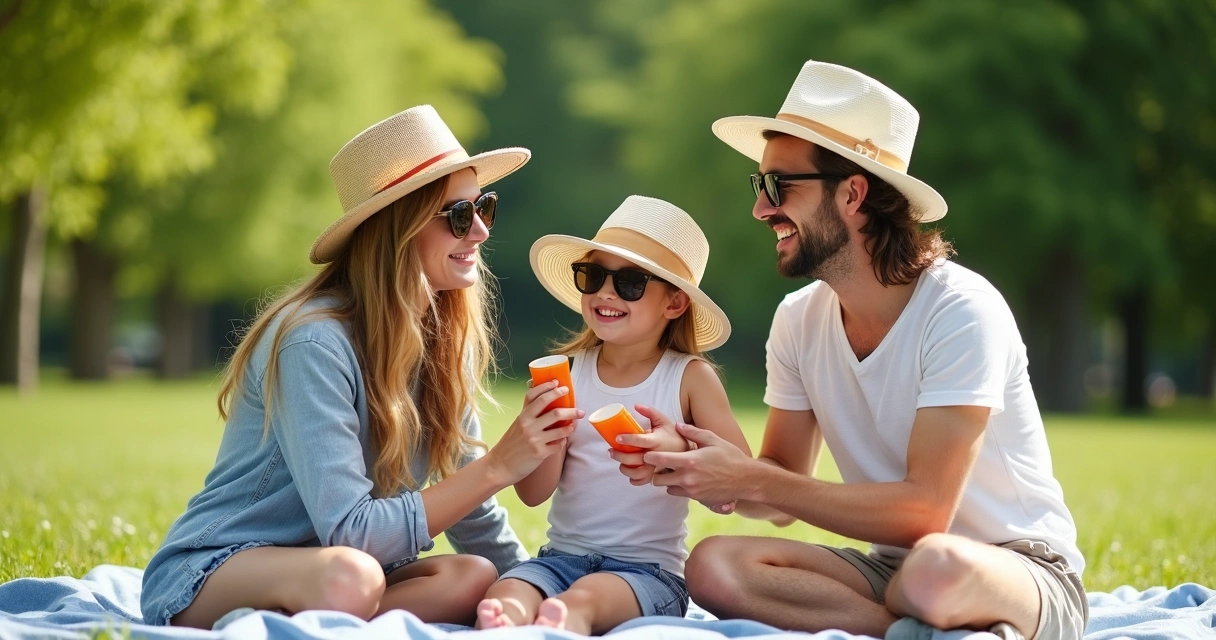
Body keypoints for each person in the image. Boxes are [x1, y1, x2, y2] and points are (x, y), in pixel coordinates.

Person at [633, 61, 1088, 640]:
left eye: (778, 186)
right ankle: (912, 632)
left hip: (1017, 570)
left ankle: (919, 621)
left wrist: (753, 479)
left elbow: (925, 514)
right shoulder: (798, 320)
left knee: (936, 568)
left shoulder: (961, 310)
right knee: (713, 565)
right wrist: (700, 462)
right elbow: (781, 493)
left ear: (853, 193)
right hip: (894, 570)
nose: (761, 209)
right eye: (759, 186)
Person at [141, 106, 580, 629]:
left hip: (343, 567)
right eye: (460, 215)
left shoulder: (444, 343)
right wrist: (498, 467)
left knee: (475, 576)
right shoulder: (313, 343)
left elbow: (473, 515)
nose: (481, 231)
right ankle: (314, 616)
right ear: (399, 229)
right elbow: (351, 532)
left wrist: (537, 595)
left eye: (486, 207)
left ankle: (310, 623)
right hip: (218, 568)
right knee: (351, 578)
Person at [475, 196, 752, 635]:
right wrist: (546, 435)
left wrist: (680, 452)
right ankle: (509, 621)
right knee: (509, 589)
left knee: (588, 596)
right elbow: (532, 495)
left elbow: (741, 481)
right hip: (559, 560)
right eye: (594, 276)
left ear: (675, 304)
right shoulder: (568, 374)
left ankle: (563, 620)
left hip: (647, 573)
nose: (606, 292)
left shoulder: (690, 379)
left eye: (629, 282)